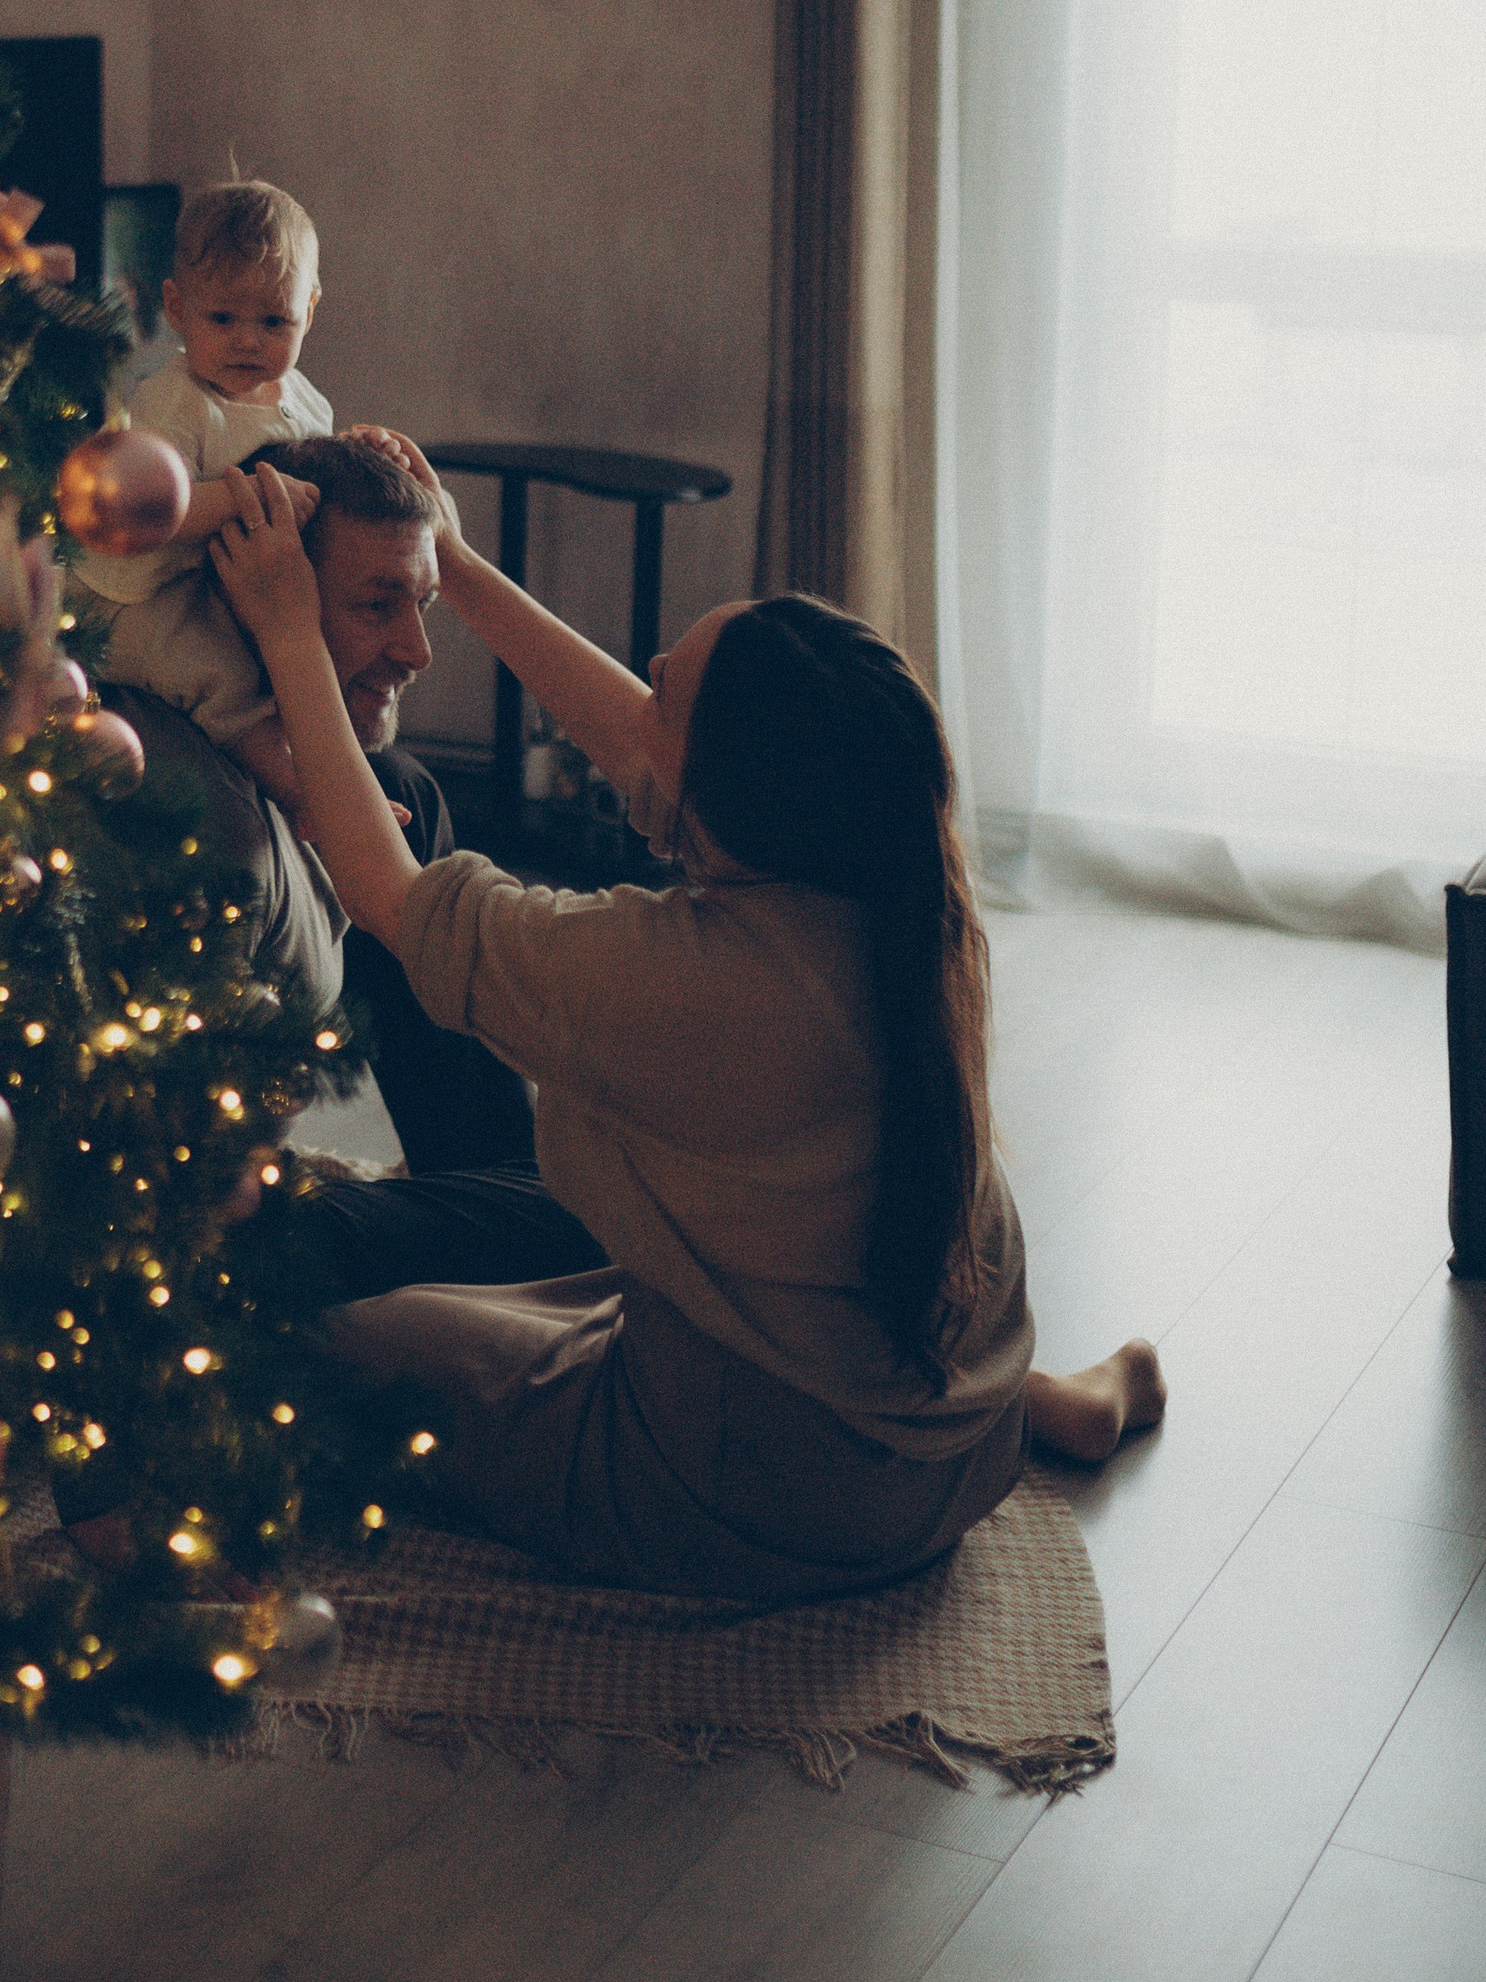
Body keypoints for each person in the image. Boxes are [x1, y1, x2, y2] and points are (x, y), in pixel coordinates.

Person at [208, 446, 1166, 1602]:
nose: (640, 687)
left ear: (723, 786)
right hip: (948, 1444)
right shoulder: (898, 902)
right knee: (573, 1271)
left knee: (315, 1338)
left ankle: (1030, 1410)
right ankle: (1049, 1404)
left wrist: (289, 629)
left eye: (665, 693)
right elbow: (641, 741)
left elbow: (389, 892)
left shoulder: (682, 981)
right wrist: (453, 567)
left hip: (746, 1490)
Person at [100, 430, 536, 1177]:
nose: (418, 650)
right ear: (257, 588)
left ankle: (502, 1191)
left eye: (423, 603)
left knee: (398, 785)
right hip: (203, 1221)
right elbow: (196, 1179)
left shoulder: (390, 790)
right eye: (377, 606)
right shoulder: (195, 815)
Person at [73, 182, 332, 814]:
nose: (249, 340)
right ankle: (299, 794)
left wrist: (359, 450)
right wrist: (253, 499)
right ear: (177, 308)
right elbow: (162, 510)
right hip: (129, 598)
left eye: (275, 321)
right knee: (222, 675)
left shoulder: (304, 401)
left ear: (311, 310)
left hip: (206, 585)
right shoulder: (174, 403)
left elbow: (324, 475)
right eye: (223, 319)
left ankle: (337, 764)